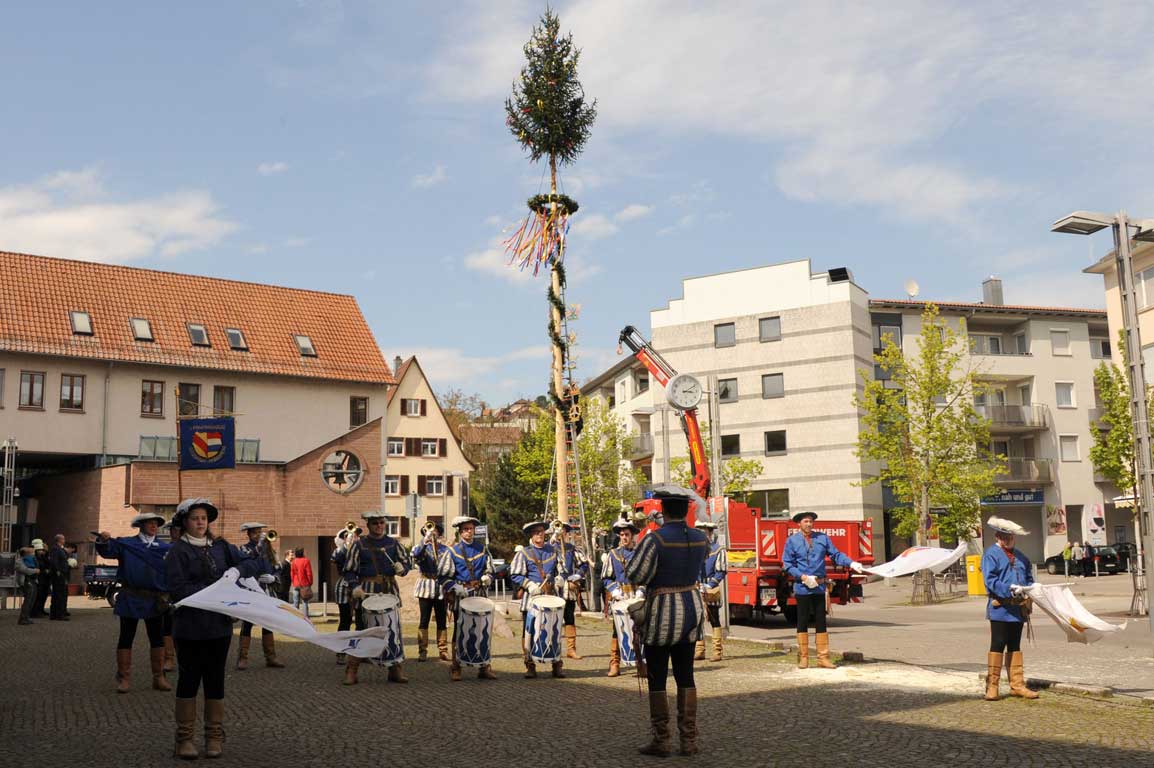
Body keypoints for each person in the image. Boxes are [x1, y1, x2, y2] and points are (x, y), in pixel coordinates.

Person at [166, 498, 263, 760]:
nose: (200, 522)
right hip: (190, 627)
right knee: (189, 680)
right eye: (194, 518)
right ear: (185, 522)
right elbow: (177, 590)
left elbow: (254, 563)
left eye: (203, 518)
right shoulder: (177, 551)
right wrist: (218, 589)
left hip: (218, 627)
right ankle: (184, 738)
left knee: (215, 679)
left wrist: (236, 571)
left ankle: (214, 736)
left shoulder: (220, 546)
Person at [624, 486, 709, 757]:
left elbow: (635, 573)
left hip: (662, 613)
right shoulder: (700, 538)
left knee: (658, 676)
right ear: (685, 510)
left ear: (663, 510)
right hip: (691, 609)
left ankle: (661, 741)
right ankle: (688, 741)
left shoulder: (655, 539)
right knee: (686, 675)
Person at [95, 512, 173, 693]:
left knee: (157, 638)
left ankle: (159, 677)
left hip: (155, 600)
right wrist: (104, 541)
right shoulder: (127, 544)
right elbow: (107, 551)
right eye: (149, 523)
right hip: (131, 597)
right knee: (126, 637)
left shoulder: (164, 548)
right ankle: (124, 678)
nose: (154, 526)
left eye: (156, 523)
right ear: (141, 525)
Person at [782, 511, 864, 670]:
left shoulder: (822, 538)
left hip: (819, 586)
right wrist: (803, 577)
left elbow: (836, 555)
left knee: (821, 621)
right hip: (803, 586)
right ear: (799, 524)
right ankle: (803, 658)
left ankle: (823, 658)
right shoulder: (792, 541)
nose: (809, 524)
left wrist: (851, 563)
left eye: (811, 521)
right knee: (802, 620)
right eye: (806, 521)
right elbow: (787, 564)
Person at [341, 510, 412, 685]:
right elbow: (348, 570)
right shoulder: (359, 545)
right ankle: (351, 670)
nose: (379, 526)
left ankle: (395, 669)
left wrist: (402, 568)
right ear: (368, 525)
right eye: (375, 523)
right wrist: (354, 586)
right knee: (362, 631)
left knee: (392, 630)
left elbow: (406, 564)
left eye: (381, 523)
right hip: (366, 592)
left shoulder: (393, 543)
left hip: (389, 591)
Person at [982, 516, 1039, 701]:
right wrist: (1009, 589)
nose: (1007, 540)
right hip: (1000, 608)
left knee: (1015, 645)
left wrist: (1030, 589)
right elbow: (990, 580)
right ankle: (992, 686)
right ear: (997, 537)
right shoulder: (991, 554)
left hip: (1018, 609)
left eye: (1010, 537)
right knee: (998, 644)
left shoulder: (1022, 557)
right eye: (1003, 537)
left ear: (1014, 538)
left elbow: (1028, 578)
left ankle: (1017, 685)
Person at [438, 515, 497, 681]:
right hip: (461, 595)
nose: (469, 532)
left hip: (479, 594)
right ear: (460, 532)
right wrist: (454, 587)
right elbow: (442, 576)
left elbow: (490, 570)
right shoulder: (452, 551)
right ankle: (456, 667)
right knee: (460, 631)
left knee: (483, 630)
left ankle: (484, 667)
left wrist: (487, 577)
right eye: (465, 529)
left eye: (471, 529)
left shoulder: (482, 549)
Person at [510, 520, 566, 679]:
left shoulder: (553, 550)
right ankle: (530, 664)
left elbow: (562, 569)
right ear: (531, 535)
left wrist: (560, 578)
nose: (539, 534)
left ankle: (556, 663)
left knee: (554, 630)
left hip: (551, 596)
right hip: (532, 597)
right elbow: (515, 574)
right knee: (529, 631)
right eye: (536, 532)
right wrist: (528, 584)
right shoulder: (524, 553)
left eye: (541, 531)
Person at [235, 522, 285, 670]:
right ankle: (242, 657)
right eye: (254, 533)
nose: (258, 535)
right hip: (251, 590)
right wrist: (259, 547)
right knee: (247, 623)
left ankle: (271, 657)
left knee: (267, 623)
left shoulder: (270, 551)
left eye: (259, 532)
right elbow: (246, 562)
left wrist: (273, 578)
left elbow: (278, 569)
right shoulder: (244, 549)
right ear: (249, 534)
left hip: (267, 591)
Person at [601, 517, 643, 677]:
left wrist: (642, 591)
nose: (624, 537)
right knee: (617, 630)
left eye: (627, 534)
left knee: (640, 631)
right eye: (622, 535)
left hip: (637, 597)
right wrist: (614, 591)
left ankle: (641, 664)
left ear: (632, 535)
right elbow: (606, 578)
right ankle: (615, 663)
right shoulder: (613, 554)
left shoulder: (640, 554)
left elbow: (648, 576)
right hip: (620, 598)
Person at [411, 521, 448, 662]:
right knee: (424, 619)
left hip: (441, 586)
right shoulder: (420, 547)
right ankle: (422, 651)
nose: (433, 532)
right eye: (429, 530)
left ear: (439, 533)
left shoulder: (445, 549)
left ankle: (443, 650)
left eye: (435, 530)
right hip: (426, 585)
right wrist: (425, 541)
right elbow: (416, 556)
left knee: (442, 619)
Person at [556, 521, 589, 660]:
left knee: (569, 618)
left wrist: (578, 575)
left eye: (563, 529)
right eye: (558, 529)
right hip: (553, 589)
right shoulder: (548, 549)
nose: (560, 532)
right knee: (553, 621)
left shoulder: (571, 548)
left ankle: (571, 649)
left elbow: (584, 564)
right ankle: (553, 649)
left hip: (568, 588)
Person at [695, 520, 727, 663]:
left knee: (714, 618)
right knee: (697, 620)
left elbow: (721, 571)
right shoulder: (695, 549)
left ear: (710, 533)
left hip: (710, 587)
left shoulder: (718, 549)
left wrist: (709, 585)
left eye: (704, 532)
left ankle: (717, 651)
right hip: (696, 586)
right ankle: (699, 649)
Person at [331, 528, 361, 665]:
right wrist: (346, 546)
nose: (354, 537)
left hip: (360, 585)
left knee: (361, 621)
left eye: (356, 535)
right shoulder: (339, 550)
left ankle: (359, 652)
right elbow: (337, 559)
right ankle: (341, 652)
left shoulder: (362, 549)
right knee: (345, 620)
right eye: (349, 535)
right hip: (344, 585)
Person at [48, 534, 72, 621]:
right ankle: (58, 614)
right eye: (63, 539)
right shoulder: (55, 549)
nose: (64, 540)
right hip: (59, 575)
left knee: (60, 594)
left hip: (62, 573)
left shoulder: (60, 549)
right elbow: (54, 561)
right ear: (59, 540)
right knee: (59, 594)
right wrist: (58, 570)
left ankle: (56, 614)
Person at [15, 546, 39, 625]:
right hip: (26, 582)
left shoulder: (29, 560)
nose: (32, 554)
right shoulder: (19, 561)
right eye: (30, 553)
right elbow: (25, 570)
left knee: (31, 600)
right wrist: (35, 571)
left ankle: (26, 617)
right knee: (28, 601)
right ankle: (22, 618)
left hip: (32, 582)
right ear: (26, 554)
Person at [30, 539, 52, 618]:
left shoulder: (42, 556)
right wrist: (44, 571)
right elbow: (37, 567)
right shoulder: (34, 557)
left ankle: (40, 610)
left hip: (45, 579)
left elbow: (48, 562)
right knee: (38, 596)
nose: (41, 551)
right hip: (39, 578)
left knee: (43, 595)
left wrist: (46, 552)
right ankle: (35, 612)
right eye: (40, 550)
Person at [290, 548, 313, 618]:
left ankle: (295, 618)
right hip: (304, 584)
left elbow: (292, 573)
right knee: (305, 602)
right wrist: (310, 582)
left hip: (296, 584)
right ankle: (305, 618)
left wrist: (293, 582)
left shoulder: (293, 561)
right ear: (302, 553)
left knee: (295, 602)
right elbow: (309, 573)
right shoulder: (306, 561)